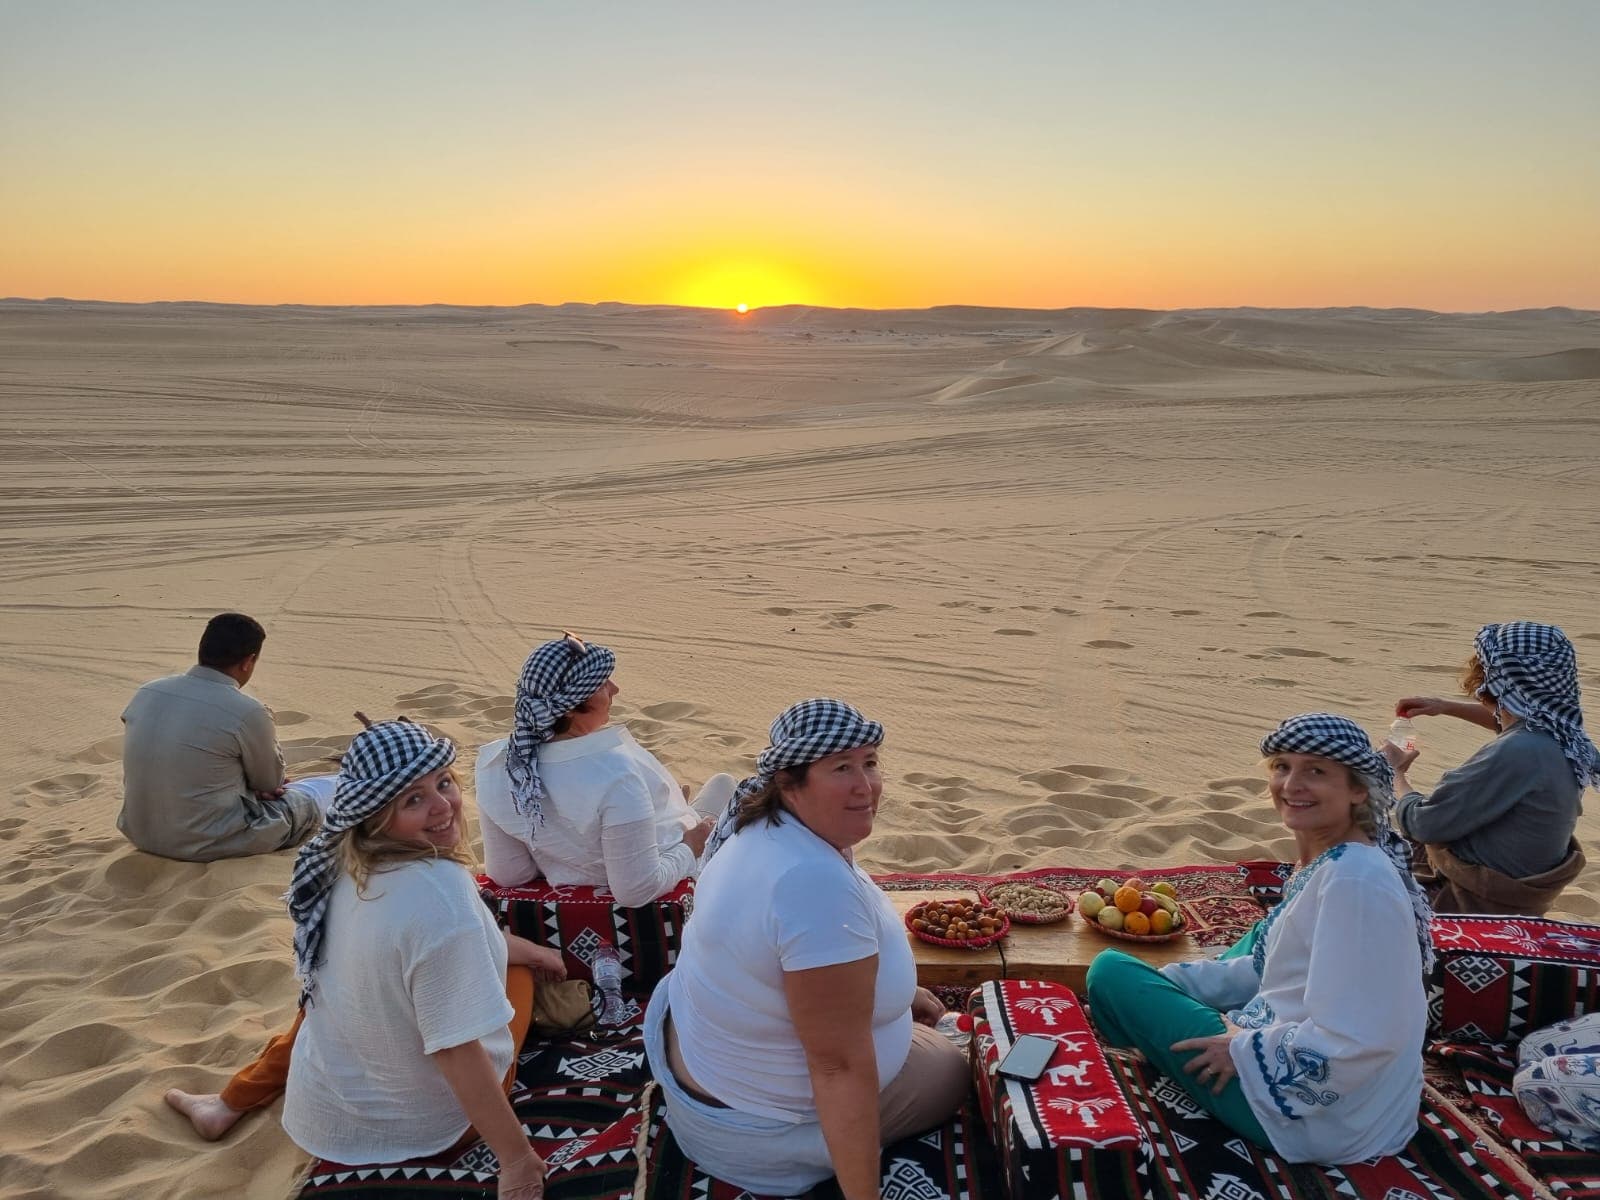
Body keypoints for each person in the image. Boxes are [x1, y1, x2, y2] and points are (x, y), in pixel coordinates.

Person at [165, 721, 566, 1200]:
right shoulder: (443, 898)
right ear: (376, 815)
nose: (442, 806)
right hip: (432, 1125)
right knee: (515, 973)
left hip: (331, 1107)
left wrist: (529, 948)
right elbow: (455, 1049)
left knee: (323, 994)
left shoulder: (339, 864)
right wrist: (517, 1160)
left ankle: (231, 1102)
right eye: (412, 800)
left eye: (443, 783)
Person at [642, 699, 969, 1199]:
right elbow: (837, 1067)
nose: (866, 786)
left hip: (704, 1066)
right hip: (752, 1131)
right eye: (841, 768)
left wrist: (902, 995)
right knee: (951, 1069)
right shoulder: (812, 886)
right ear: (789, 783)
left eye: (870, 763)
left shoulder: (760, 824)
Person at [1086, 713, 1433, 1166]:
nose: (1292, 785)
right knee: (1255, 940)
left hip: (1316, 1117)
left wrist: (1244, 1049)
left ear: (1357, 789)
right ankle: (1152, 1017)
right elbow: (1265, 968)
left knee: (1110, 972)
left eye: (1316, 771)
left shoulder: (1355, 882)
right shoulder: (1335, 861)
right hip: (1328, 1083)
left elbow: (1365, 1033)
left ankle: (1144, 1028)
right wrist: (1165, 987)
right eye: (1282, 767)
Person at [474, 633, 733, 904]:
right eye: (601, 684)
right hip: (668, 884)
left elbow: (510, 874)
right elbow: (637, 890)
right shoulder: (612, 774)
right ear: (571, 708)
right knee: (724, 783)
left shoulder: (496, 764)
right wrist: (692, 845)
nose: (615, 689)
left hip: (587, 881)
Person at [1387, 621, 1597, 916]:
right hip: (1518, 900)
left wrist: (1397, 775)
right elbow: (1514, 724)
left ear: (1498, 681)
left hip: (1465, 900)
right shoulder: (1564, 738)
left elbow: (1423, 823)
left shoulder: (1522, 753)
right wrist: (1443, 706)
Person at [119, 612, 335, 861]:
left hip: (139, 833)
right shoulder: (248, 711)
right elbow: (270, 783)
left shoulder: (147, 692)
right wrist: (261, 786)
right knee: (317, 794)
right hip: (208, 841)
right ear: (248, 662)